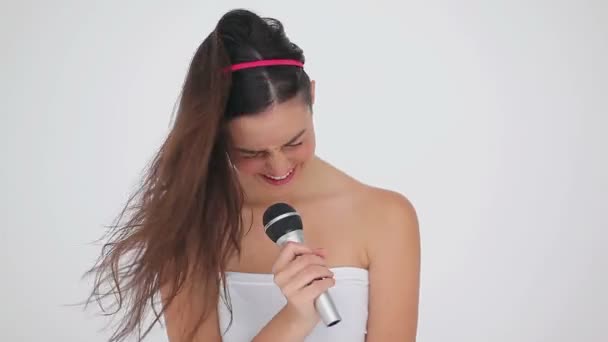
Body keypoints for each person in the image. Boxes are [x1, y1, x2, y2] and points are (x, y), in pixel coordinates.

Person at [85, 8, 420, 342]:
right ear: (216, 134)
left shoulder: (386, 217)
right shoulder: (192, 223)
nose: (279, 167)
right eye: (252, 153)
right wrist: (295, 319)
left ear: (313, 98)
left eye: (294, 142)